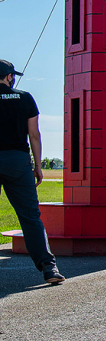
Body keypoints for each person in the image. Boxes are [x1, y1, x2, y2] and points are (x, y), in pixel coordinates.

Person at [0, 60, 64, 284]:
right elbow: (34, 134)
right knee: (30, 217)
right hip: (18, 161)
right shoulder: (25, 97)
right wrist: (38, 165)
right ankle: (49, 268)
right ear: (9, 77)